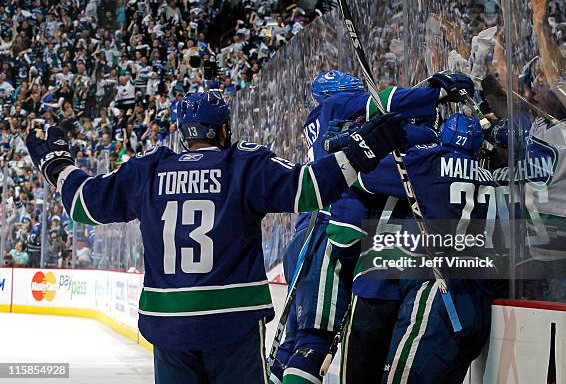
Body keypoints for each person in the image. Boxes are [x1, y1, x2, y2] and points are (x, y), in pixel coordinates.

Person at [25, 90, 408, 384]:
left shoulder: (149, 171)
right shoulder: (242, 164)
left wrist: (56, 163)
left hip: (169, 322)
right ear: (224, 129)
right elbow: (308, 188)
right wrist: (365, 150)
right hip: (232, 322)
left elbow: (83, 203)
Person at [343, 113, 496, 383]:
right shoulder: (493, 180)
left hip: (439, 289)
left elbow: (361, 175)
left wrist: (353, 142)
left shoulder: (432, 162)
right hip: (479, 299)